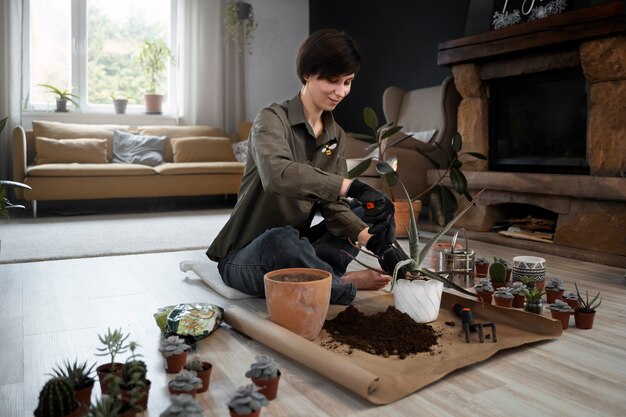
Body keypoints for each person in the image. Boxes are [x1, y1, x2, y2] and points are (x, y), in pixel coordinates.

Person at [207, 29, 405, 305]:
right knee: (281, 239)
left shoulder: (336, 135)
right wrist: (352, 186)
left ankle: (319, 274)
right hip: (248, 257)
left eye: (348, 82)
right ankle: (337, 284)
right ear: (307, 74)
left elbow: (333, 206)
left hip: (298, 248)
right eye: (332, 80)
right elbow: (278, 175)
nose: (341, 91)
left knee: (370, 210)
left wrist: (378, 245)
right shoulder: (270, 120)